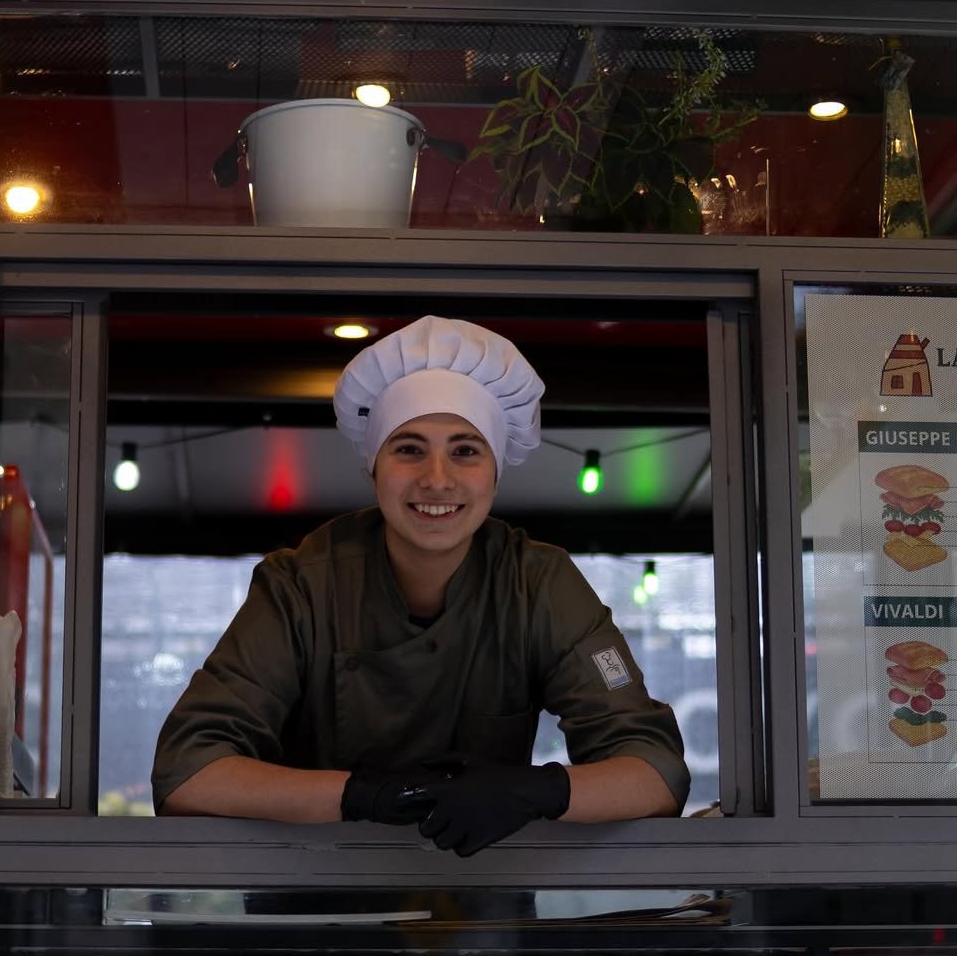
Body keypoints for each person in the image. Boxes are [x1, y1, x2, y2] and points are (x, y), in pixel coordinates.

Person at [152, 315, 689, 855]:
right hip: (311, 906)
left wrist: (540, 790)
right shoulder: (299, 586)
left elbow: (657, 774)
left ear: (495, 472)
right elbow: (187, 775)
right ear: (374, 467)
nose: (437, 478)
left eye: (465, 450)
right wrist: (359, 796)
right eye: (409, 448)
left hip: (486, 905)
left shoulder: (539, 584)